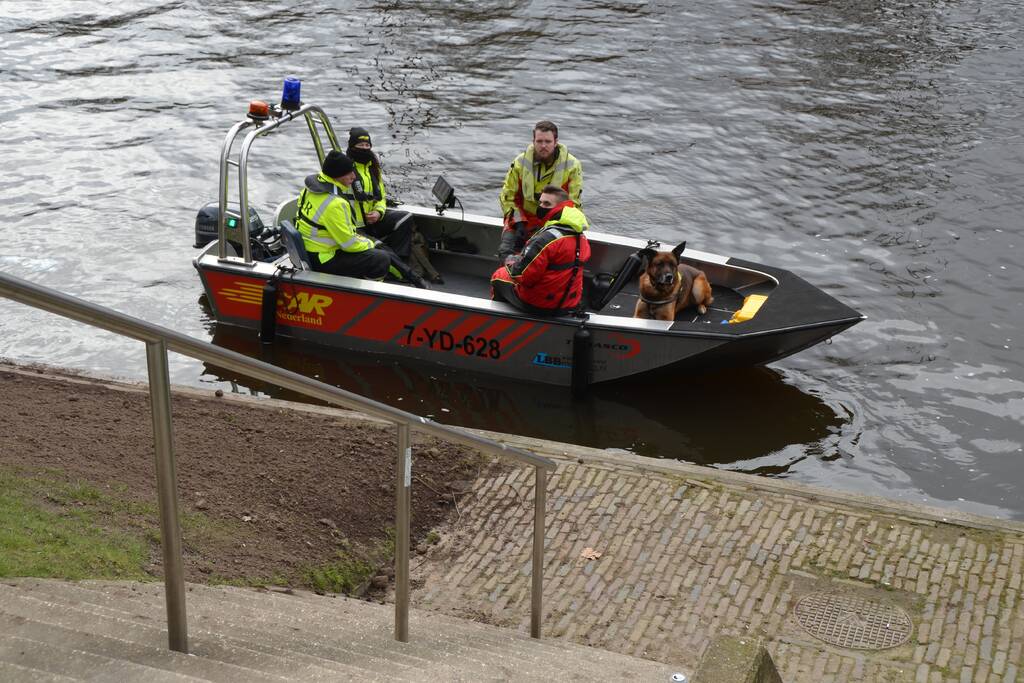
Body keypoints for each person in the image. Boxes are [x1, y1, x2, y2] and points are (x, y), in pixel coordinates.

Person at [295, 150, 418, 283]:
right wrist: (370, 243)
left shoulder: (310, 190)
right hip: (325, 259)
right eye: (349, 173)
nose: (354, 176)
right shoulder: (335, 204)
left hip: (310, 250)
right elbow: (349, 244)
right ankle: (371, 288)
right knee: (380, 258)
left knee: (379, 249)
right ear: (337, 175)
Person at [344, 127, 443, 284]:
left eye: (367, 145)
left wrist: (378, 212)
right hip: (355, 226)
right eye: (360, 145)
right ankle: (394, 267)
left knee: (405, 218)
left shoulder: (372, 167)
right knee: (381, 248)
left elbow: (381, 197)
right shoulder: (344, 169)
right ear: (352, 146)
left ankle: (400, 259)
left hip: (373, 220)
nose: (364, 148)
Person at [491, 185, 591, 315]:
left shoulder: (546, 239)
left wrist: (510, 261)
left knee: (499, 274)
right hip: (569, 304)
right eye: (541, 203)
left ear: (560, 207)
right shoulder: (581, 236)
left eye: (547, 204)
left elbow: (523, 276)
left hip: (540, 304)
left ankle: (498, 317)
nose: (541, 207)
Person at [498, 120, 583, 259]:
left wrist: (551, 228)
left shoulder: (572, 166)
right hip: (522, 221)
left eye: (548, 141)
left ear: (556, 142)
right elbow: (508, 198)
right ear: (533, 141)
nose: (543, 146)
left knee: (543, 257)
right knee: (506, 251)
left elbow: (573, 205)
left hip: (554, 223)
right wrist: (519, 223)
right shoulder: (519, 163)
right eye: (539, 141)